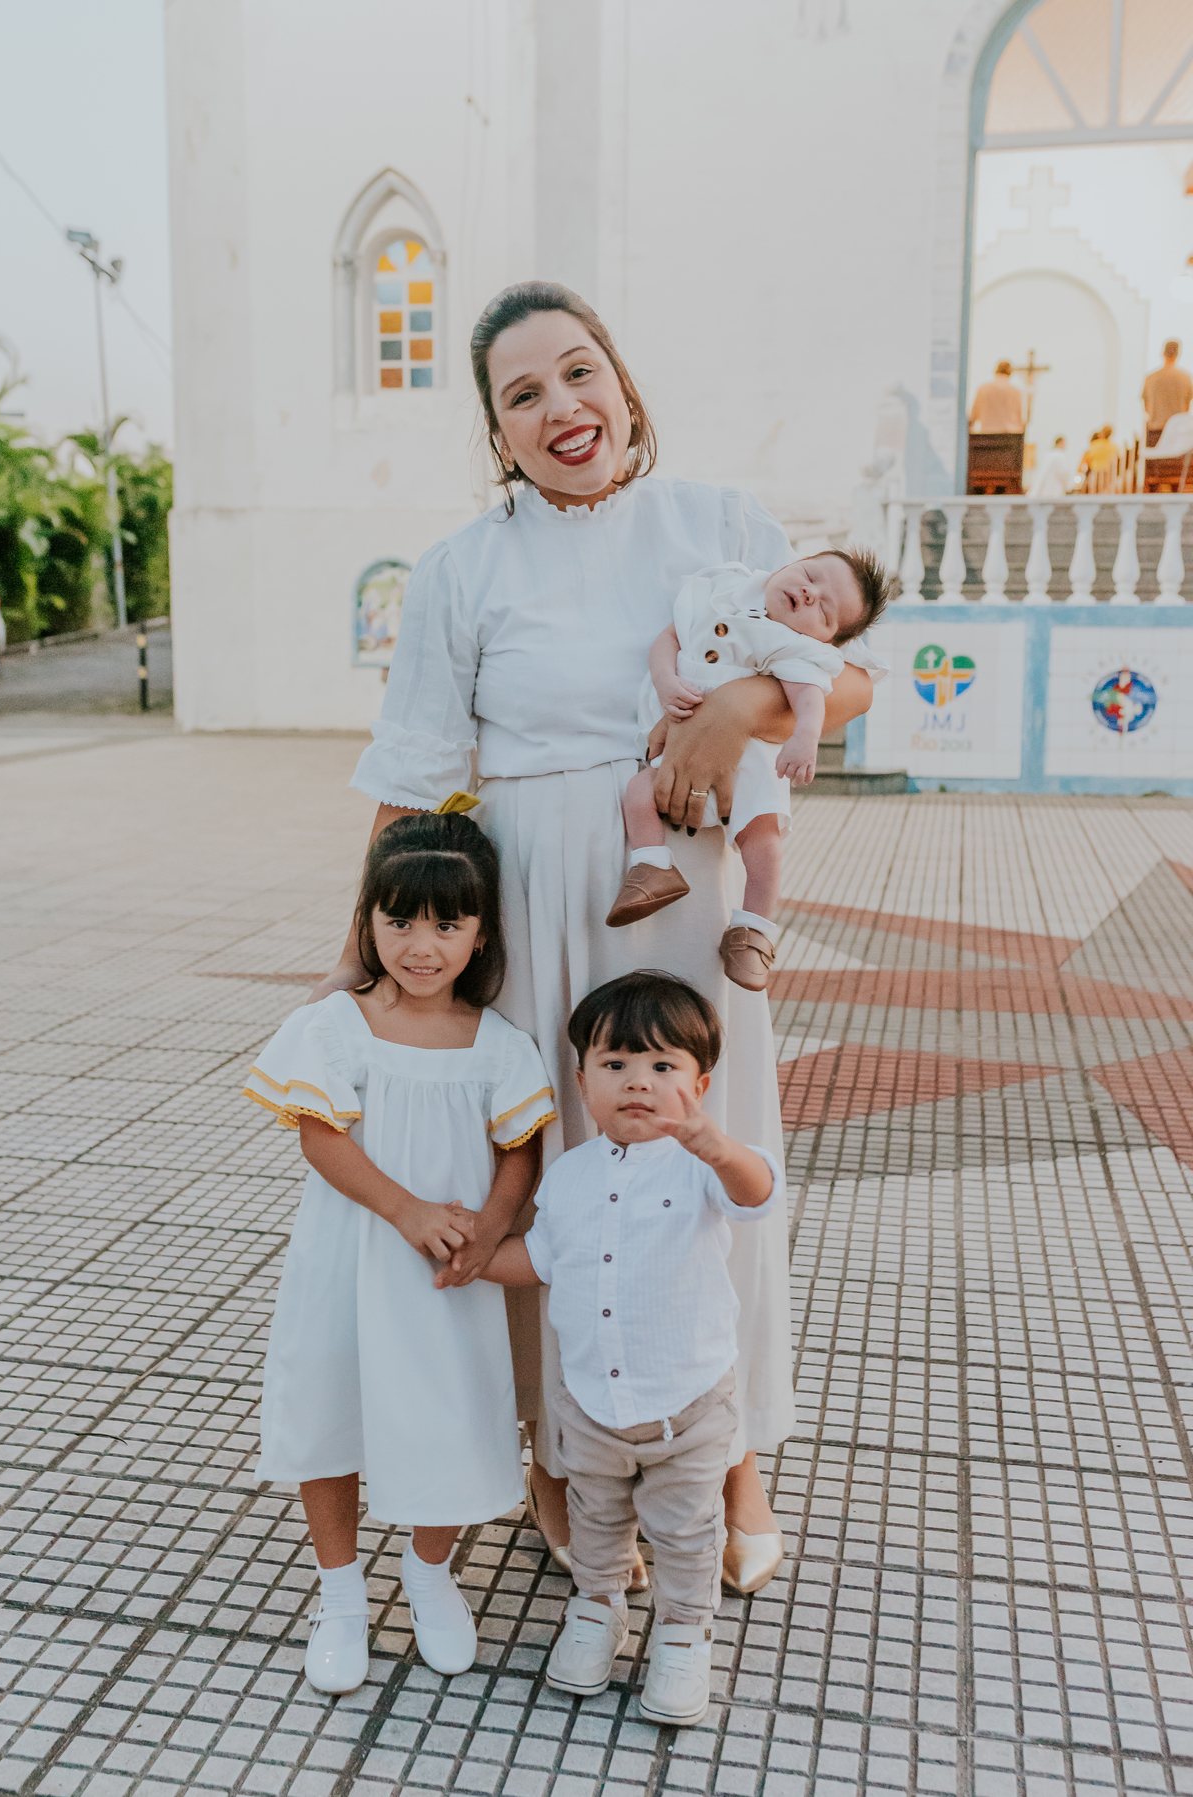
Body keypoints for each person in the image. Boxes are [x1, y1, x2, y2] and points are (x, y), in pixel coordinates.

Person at [315, 280, 881, 1601]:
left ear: (622, 382)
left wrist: (735, 705)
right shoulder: (464, 569)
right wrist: (357, 974)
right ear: (496, 432)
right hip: (521, 895)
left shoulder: (721, 522)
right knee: (551, 1166)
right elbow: (408, 780)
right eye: (524, 394)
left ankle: (727, 1447)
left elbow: (845, 674)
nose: (563, 407)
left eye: (581, 373)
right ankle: (563, 1450)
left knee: (696, 1146)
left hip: (674, 892)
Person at [244, 811, 554, 1693]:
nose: (422, 945)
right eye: (400, 920)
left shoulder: (499, 1042)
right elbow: (320, 1137)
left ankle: (428, 1570)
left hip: (445, 1273)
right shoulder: (336, 1025)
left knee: (450, 1410)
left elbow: (520, 1148)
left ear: (483, 930)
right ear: (368, 918)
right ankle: (340, 1592)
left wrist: (492, 1225)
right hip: (350, 1255)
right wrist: (408, 1209)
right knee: (328, 1406)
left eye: (448, 923)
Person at [462, 970, 782, 1726]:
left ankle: (681, 1633)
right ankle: (597, 1611)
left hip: (687, 1405)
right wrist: (471, 1257)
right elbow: (540, 1258)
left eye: (662, 1067)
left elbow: (758, 1191)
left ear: (698, 1083)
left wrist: (717, 1144)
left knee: (684, 1529)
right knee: (597, 1520)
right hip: (592, 1406)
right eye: (615, 1066)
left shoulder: (702, 1168)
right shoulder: (569, 1175)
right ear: (582, 1080)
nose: (638, 1082)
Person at [607, 554, 890, 991]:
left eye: (825, 610)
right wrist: (664, 679)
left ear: (829, 640)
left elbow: (809, 697)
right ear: (792, 563)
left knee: (764, 843)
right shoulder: (723, 593)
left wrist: (804, 738)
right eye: (811, 575)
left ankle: (753, 930)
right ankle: (652, 866)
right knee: (639, 793)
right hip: (677, 740)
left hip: (752, 761)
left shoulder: (791, 644)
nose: (810, 593)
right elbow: (669, 638)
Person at [1143, 341, 1193, 447]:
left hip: (1154, 434)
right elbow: (1187, 408)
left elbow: (1146, 407)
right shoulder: (1185, 378)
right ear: (1178, 354)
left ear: (1163, 353)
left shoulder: (1150, 378)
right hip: (1178, 435)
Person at [968, 360, 1025, 433]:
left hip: (987, 435)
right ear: (1010, 373)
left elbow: (973, 416)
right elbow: (1018, 418)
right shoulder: (1016, 391)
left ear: (996, 371)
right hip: (1009, 436)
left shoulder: (983, 389)